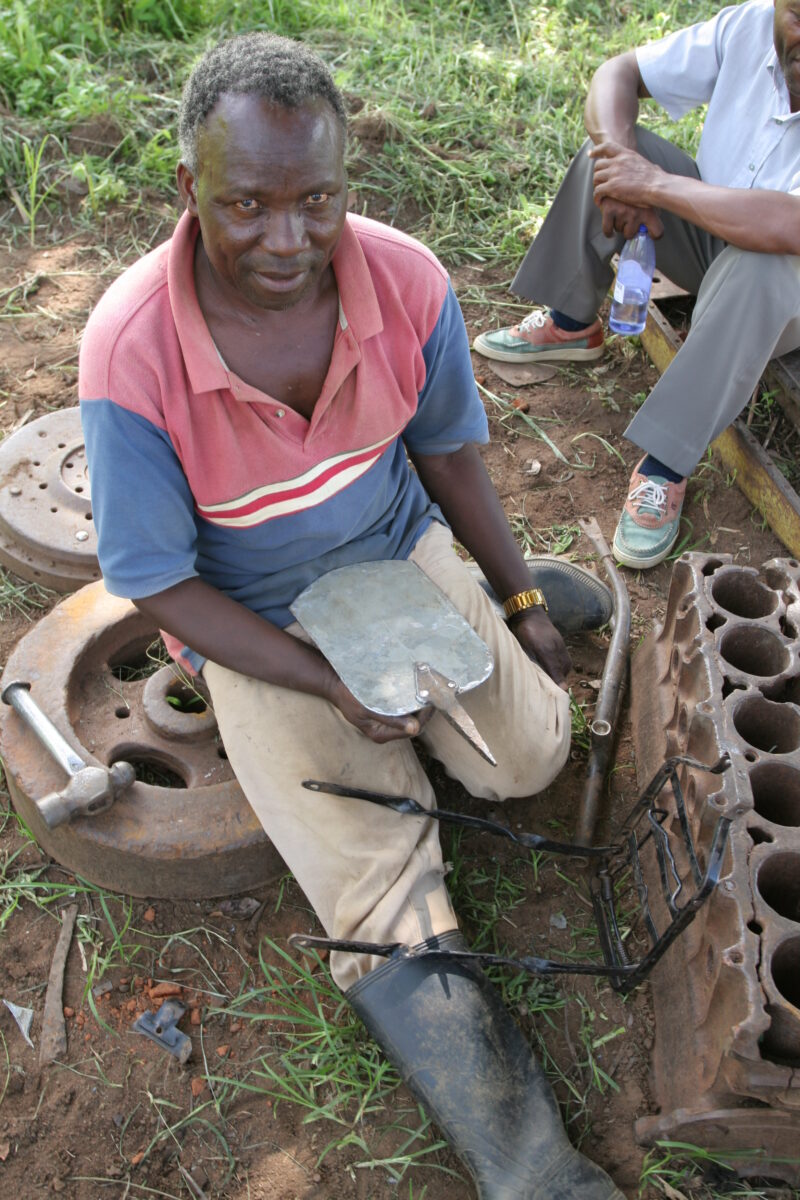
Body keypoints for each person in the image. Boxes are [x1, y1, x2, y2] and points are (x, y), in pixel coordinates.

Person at [79, 32, 620, 1200]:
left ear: (344, 186)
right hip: (253, 612)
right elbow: (160, 582)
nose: (287, 239)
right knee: (380, 882)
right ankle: (528, 1166)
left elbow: (448, 455)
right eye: (248, 204)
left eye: (315, 200)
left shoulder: (405, 280)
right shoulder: (131, 350)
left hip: (393, 550)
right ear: (190, 191)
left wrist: (518, 600)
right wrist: (324, 681)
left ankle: (542, 594)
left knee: (528, 762)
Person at [474, 0, 800, 571]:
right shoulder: (747, 26)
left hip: (784, 287)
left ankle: (665, 466)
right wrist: (625, 166)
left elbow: (788, 226)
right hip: (717, 237)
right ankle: (572, 322)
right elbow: (618, 73)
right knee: (617, 149)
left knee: (763, 263)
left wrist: (655, 186)